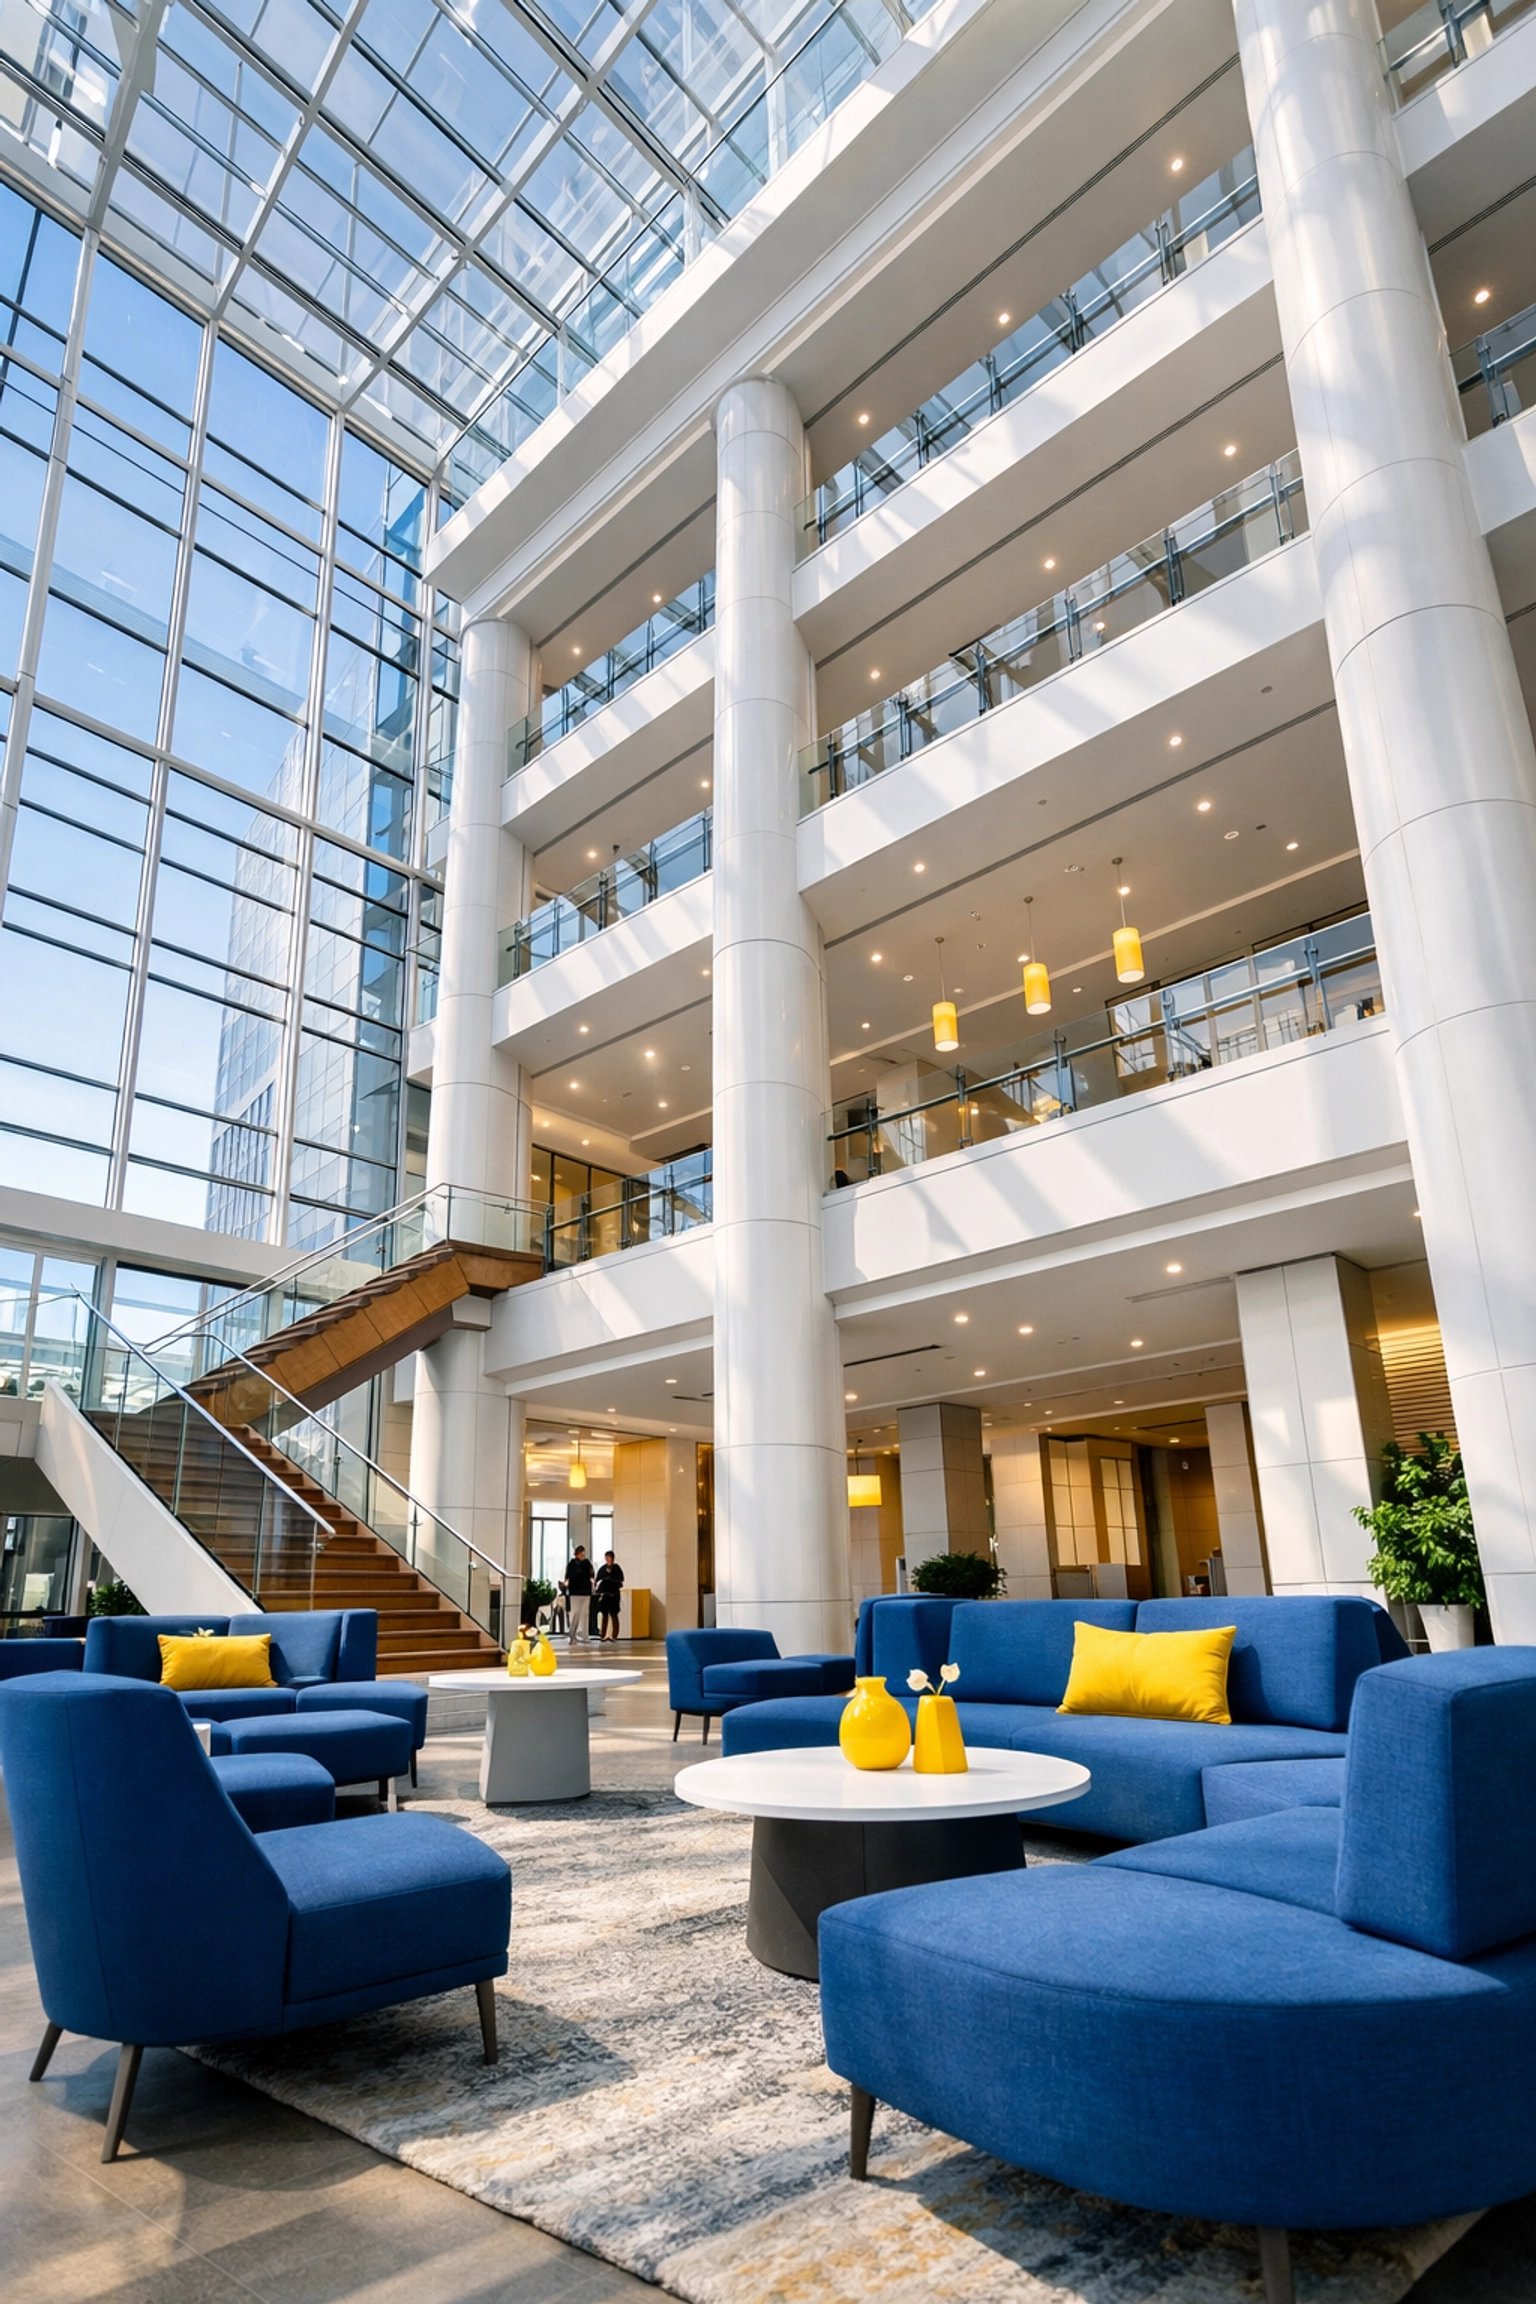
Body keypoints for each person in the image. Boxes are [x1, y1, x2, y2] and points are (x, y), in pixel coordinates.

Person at [564, 1544, 595, 1641]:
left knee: (585, 1613)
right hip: (575, 1591)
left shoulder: (587, 1563)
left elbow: (592, 1574)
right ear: (577, 1554)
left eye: (583, 1553)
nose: (582, 1555)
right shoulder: (572, 1564)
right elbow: (568, 1576)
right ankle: (572, 1634)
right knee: (575, 1613)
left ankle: (585, 1636)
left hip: (585, 1591)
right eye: (581, 1553)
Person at [594, 1549, 625, 1640]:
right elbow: (597, 1580)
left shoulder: (616, 1568)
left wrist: (611, 1580)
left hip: (614, 1594)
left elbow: (621, 1579)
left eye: (609, 1557)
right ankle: (603, 1635)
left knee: (614, 1614)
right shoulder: (602, 1569)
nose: (608, 1559)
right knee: (604, 1614)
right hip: (605, 1594)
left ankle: (614, 1635)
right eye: (606, 1557)